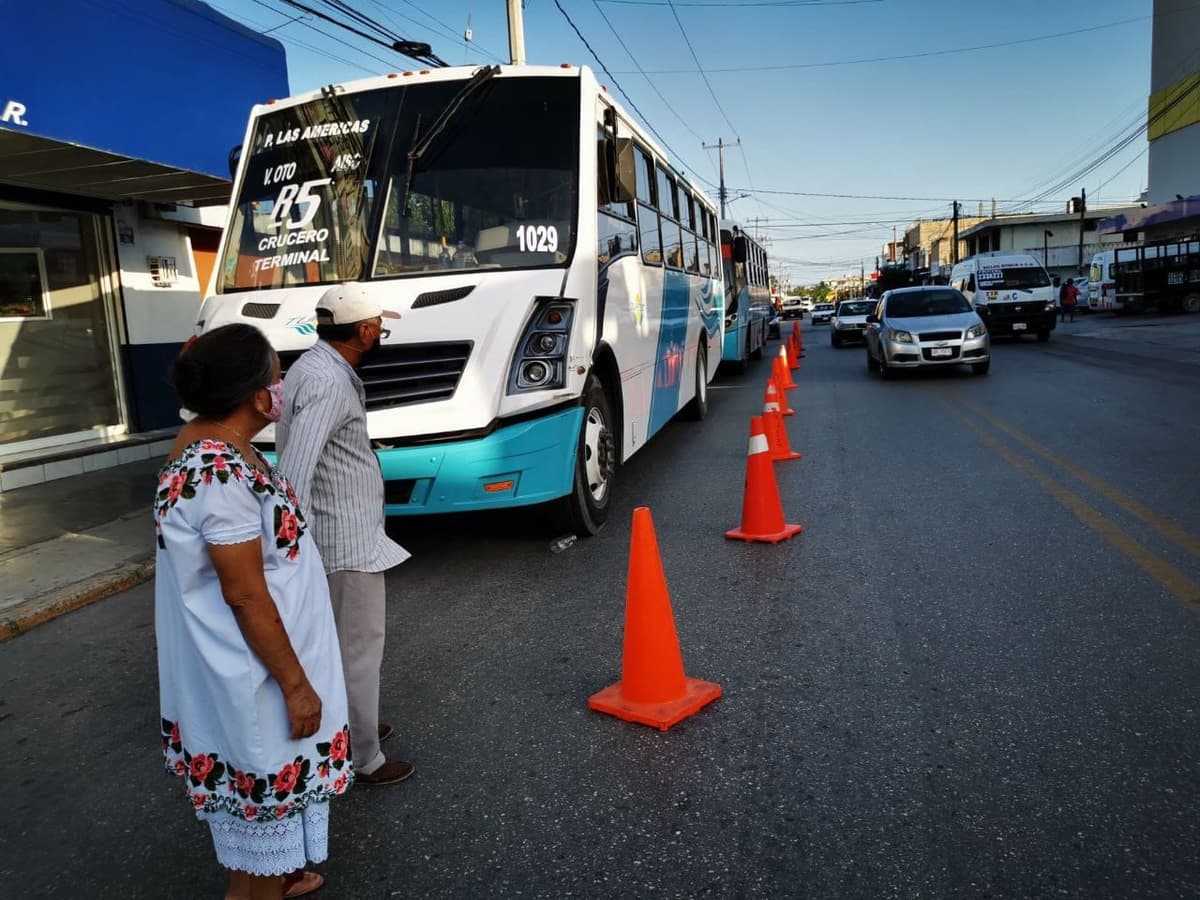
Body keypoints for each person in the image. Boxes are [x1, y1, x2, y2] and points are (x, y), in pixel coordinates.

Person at [156, 323, 351, 900]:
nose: (283, 385)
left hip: (251, 677)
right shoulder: (217, 473)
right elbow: (243, 593)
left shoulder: (212, 443)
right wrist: (296, 686)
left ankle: (265, 878)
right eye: (277, 375)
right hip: (257, 685)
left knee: (257, 846)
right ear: (256, 394)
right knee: (261, 850)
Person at [276, 283, 413, 787]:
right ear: (364, 331)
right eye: (379, 328)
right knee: (359, 648)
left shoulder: (313, 368)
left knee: (341, 645)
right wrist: (296, 547)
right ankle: (364, 756)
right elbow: (294, 470)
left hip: (342, 534)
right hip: (343, 541)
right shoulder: (329, 383)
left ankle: (354, 723)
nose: (381, 336)